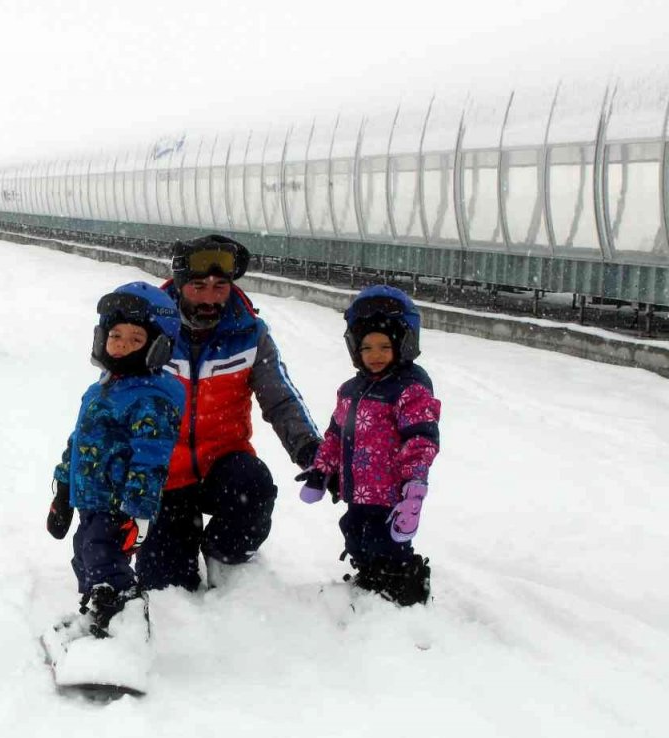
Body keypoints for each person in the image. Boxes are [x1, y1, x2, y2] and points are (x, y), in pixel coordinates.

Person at [134, 235, 323, 591]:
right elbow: (114, 404)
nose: (210, 297)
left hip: (223, 469)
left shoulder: (249, 334)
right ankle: (178, 538)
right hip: (164, 478)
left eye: (221, 286)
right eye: (198, 286)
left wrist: (310, 451)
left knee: (252, 485)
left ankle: (222, 555)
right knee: (168, 585)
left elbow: (280, 399)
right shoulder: (146, 330)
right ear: (178, 284)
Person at [46, 282, 185, 640]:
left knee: (105, 559)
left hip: (117, 504)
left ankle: (127, 621)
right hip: (91, 500)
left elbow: (151, 458)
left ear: (156, 347)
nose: (121, 345)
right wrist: (63, 489)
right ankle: (99, 611)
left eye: (135, 339)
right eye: (116, 335)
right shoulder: (102, 388)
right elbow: (79, 443)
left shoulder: (152, 398)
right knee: (85, 555)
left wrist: (138, 512)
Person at [297, 285, 441, 606]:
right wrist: (321, 471)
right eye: (367, 348)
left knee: (388, 543)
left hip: (391, 492)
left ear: (402, 345)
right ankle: (371, 582)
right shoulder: (351, 389)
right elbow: (336, 436)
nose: (374, 355)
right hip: (357, 490)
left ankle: (406, 591)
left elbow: (420, 438)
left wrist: (414, 486)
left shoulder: (411, 386)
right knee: (355, 534)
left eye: (384, 347)